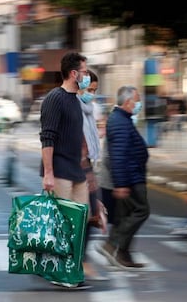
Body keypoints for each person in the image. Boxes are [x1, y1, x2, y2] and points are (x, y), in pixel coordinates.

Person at [40, 51, 90, 288]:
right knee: (64, 224)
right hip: (59, 170)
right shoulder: (54, 98)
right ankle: (61, 272)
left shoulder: (76, 99)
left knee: (81, 221)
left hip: (76, 171)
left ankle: (69, 269)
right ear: (73, 73)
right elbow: (47, 138)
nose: (87, 75)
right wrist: (48, 173)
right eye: (85, 71)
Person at [96, 85, 149, 269]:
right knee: (141, 211)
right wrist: (121, 184)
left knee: (125, 215)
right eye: (137, 100)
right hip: (130, 177)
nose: (139, 104)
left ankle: (122, 254)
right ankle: (111, 244)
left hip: (132, 175)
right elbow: (118, 155)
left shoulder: (123, 119)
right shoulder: (119, 121)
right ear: (128, 102)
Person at [77, 70, 108, 280]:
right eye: (90, 90)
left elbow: (96, 131)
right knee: (86, 216)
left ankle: (80, 259)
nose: (93, 94)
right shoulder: (73, 107)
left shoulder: (89, 108)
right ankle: (80, 261)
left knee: (91, 215)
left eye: (95, 91)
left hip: (85, 166)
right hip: (75, 168)